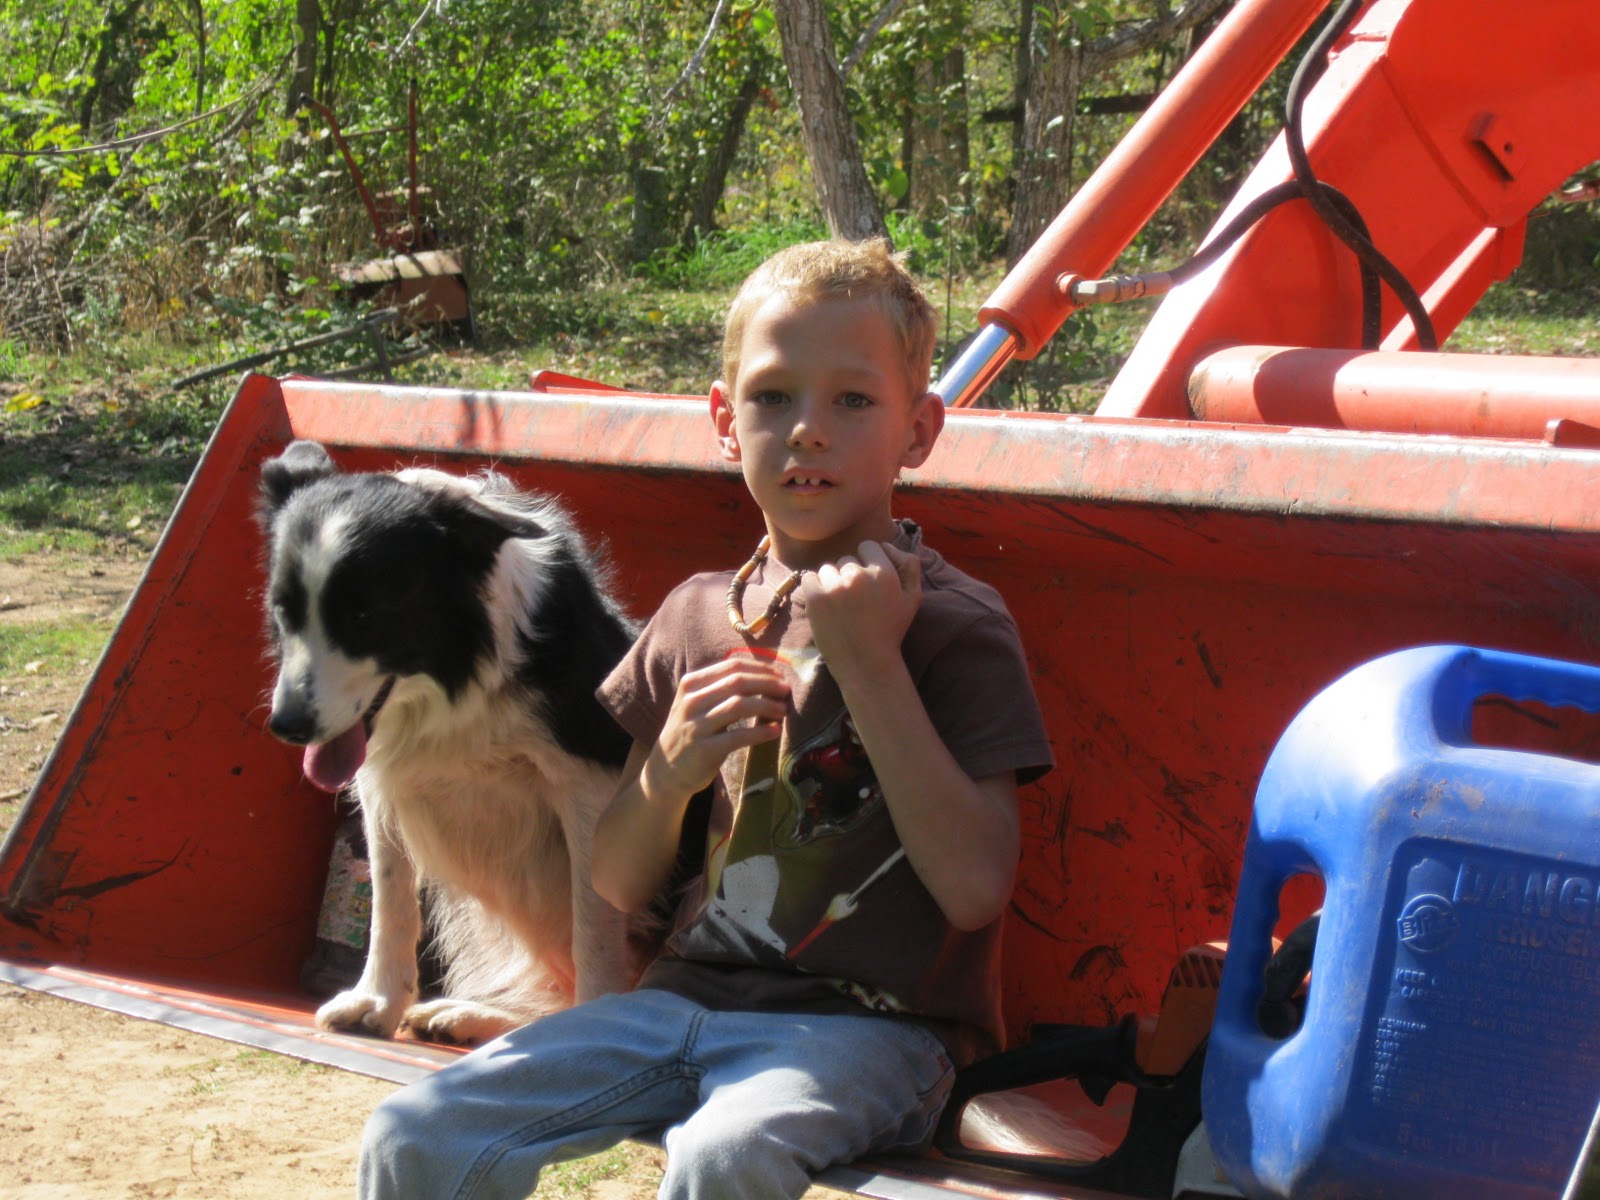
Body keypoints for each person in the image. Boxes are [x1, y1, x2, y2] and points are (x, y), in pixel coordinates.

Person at [357, 237, 1054, 1200]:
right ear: (725, 421)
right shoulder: (694, 615)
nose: (807, 432)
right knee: (415, 1133)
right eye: (773, 397)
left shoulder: (955, 625)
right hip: (675, 1004)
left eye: (853, 401)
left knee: (725, 1156)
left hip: (879, 1032)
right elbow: (617, 878)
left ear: (919, 429)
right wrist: (670, 769)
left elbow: (975, 890)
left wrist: (871, 667)